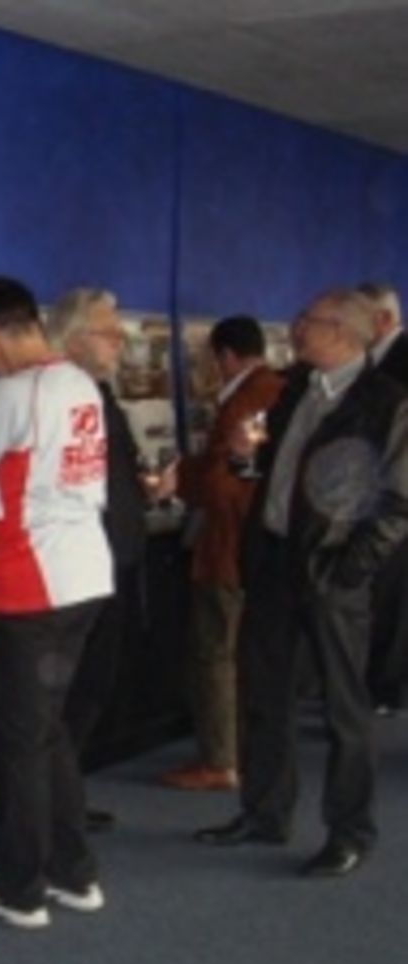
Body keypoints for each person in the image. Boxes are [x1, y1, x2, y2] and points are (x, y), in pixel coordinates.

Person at [195, 288, 408, 877]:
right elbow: (269, 471)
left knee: (344, 711)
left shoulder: (387, 403)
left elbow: (398, 504)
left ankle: (349, 832)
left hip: (332, 573)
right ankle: (265, 812)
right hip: (274, 563)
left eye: (308, 320)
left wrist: (348, 569)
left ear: (340, 330)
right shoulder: (296, 389)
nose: (296, 327)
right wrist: (244, 458)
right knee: (263, 696)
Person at [0, 277, 113, 929]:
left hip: (27, 585)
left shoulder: (8, 396)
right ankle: (73, 873)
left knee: (21, 743)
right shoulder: (79, 383)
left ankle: (21, 889)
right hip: (83, 575)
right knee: (48, 732)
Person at [52, 288, 162, 831]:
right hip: (77, 573)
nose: (120, 342)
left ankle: (62, 796)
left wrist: (144, 489)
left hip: (114, 561)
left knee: (93, 688)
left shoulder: (100, 394)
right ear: (74, 339)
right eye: (108, 332)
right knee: (72, 691)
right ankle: (52, 804)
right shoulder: (60, 400)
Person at [162, 316, 284, 790]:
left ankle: (219, 760)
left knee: (215, 654)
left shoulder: (247, 400)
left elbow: (226, 483)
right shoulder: (275, 391)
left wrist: (180, 480)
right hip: (252, 548)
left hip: (228, 547)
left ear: (225, 356)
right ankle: (239, 750)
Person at [356, 282, 408, 716]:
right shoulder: (371, 364)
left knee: (394, 593)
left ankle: (387, 687)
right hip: (372, 494)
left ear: (384, 319)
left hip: (396, 494)